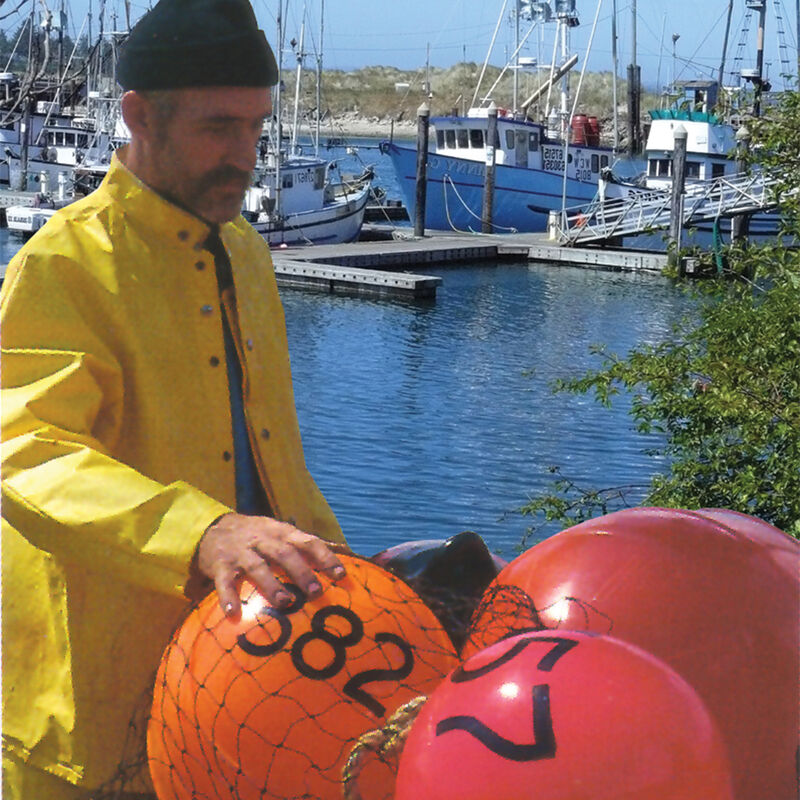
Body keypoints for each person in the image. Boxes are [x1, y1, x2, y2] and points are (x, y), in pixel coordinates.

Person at [1, 0, 349, 797]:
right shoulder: (64, 265)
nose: (245, 157)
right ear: (137, 117)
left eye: (257, 129)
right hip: (86, 721)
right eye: (218, 127)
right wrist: (202, 533)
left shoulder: (248, 254)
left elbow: (274, 463)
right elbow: (24, 452)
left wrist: (339, 564)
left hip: (243, 697)